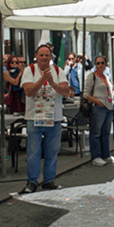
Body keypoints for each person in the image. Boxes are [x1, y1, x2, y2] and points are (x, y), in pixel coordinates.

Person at [20, 44, 72, 194]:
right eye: (41, 55)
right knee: (33, 151)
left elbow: (65, 91)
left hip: (54, 118)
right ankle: (32, 181)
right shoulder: (29, 70)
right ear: (36, 56)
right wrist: (42, 80)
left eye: (46, 55)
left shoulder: (57, 71)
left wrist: (53, 83)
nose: (44, 58)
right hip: (34, 117)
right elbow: (29, 91)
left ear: (51, 57)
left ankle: (49, 180)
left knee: (52, 151)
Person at [84, 56, 114, 166]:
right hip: (98, 107)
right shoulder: (92, 77)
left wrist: (113, 95)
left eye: (102, 63)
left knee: (106, 133)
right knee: (96, 133)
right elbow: (85, 93)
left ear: (105, 64)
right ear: (95, 65)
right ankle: (96, 156)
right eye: (98, 63)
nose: (100, 65)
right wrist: (97, 101)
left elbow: (108, 90)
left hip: (108, 107)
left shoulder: (106, 77)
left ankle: (106, 154)